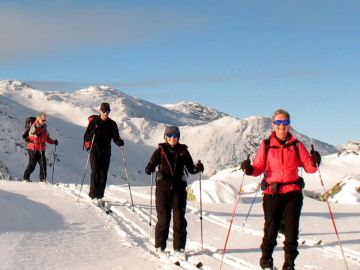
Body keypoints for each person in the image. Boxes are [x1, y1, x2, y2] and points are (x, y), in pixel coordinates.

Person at [240, 109, 321, 270]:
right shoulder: (267, 145)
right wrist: (248, 169)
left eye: (285, 122)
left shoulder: (297, 145)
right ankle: (266, 260)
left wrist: (314, 161)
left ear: (289, 125)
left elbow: (310, 168)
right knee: (271, 231)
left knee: (291, 233)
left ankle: (289, 264)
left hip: (293, 194)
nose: (281, 126)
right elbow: (258, 167)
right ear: (273, 125)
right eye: (278, 122)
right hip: (272, 194)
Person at [145, 126, 204, 259]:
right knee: (163, 219)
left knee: (179, 220)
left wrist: (198, 168)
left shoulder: (183, 151)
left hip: (179, 189)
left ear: (178, 137)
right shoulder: (160, 151)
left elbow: (191, 168)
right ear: (165, 137)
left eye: (175, 136)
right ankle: (160, 247)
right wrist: (149, 168)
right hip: (163, 189)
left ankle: (179, 249)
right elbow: (151, 164)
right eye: (170, 135)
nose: (172, 138)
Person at [83, 102, 124, 204]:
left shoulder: (112, 124)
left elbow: (115, 138)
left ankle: (100, 195)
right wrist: (93, 132)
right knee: (96, 171)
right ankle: (92, 195)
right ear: (100, 111)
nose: (106, 113)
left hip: (106, 151)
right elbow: (86, 137)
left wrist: (119, 142)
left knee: (103, 173)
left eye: (108, 111)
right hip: (95, 149)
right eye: (104, 111)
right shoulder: (94, 122)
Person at [23, 112, 58, 182]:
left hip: (41, 149)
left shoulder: (44, 127)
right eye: (43, 120)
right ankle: (26, 178)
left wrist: (53, 141)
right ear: (39, 119)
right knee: (32, 165)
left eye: (45, 120)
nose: (44, 121)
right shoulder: (34, 126)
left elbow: (47, 138)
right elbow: (29, 137)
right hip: (33, 148)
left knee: (43, 164)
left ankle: (42, 180)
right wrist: (36, 136)